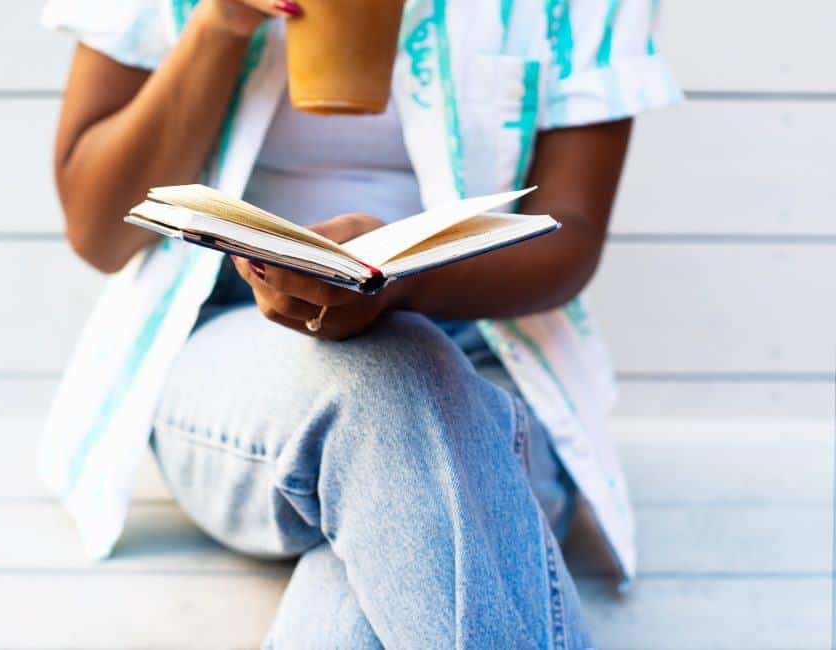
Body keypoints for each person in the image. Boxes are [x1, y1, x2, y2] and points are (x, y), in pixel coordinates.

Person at [39, 0, 682, 646]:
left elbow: (570, 236)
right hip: (233, 352)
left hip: (490, 354)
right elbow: (99, 229)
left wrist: (404, 282)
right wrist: (218, 24)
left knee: (374, 556)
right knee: (393, 383)